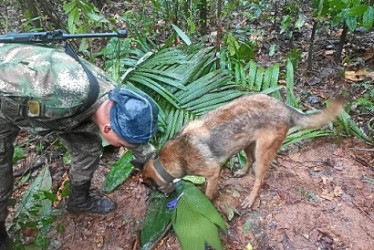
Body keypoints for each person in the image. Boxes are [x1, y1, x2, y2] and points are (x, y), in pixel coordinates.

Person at [0, 43, 159, 249]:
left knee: (88, 149)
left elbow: (135, 139)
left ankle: (78, 201)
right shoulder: (61, 94)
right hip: (6, 99)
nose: (125, 148)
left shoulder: (118, 100)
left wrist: (159, 169)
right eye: (123, 145)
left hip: (57, 112)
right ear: (108, 130)